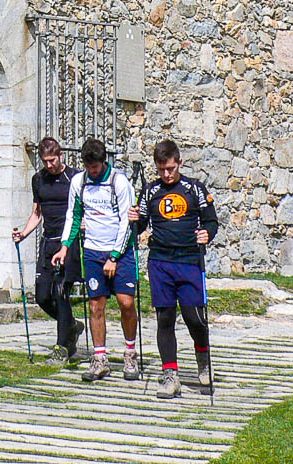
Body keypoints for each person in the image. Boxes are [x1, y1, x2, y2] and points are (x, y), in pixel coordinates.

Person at [130, 139, 218, 399]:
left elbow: (211, 220)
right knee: (164, 318)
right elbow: (142, 226)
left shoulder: (195, 189)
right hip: (160, 261)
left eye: (170, 168)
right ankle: (170, 374)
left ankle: (203, 358)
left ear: (179, 163)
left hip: (189, 260)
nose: (166, 174)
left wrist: (207, 234)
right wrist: (135, 220)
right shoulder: (150, 191)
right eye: (161, 169)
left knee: (194, 318)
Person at [54, 137, 139, 381]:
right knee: (95, 305)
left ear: (104, 162)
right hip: (91, 250)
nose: (92, 171)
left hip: (120, 252)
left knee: (125, 303)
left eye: (96, 167)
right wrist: (64, 246)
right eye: (88, 167)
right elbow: (73, 214)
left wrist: (114, 256)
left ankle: (130, 353)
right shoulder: (79, 182)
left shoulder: (119, 182)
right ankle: (99, 358)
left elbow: (127, 222)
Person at [13, 137, 81, 363]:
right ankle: (71, 325)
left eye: (52, 160)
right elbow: (37, 213)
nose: (49, 165)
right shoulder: (38, 179)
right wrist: (23, 233)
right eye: (45, 161)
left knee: (60, 293)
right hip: (48, 242)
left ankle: (62, 348)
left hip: (68, 243)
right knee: (42, 296)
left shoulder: (74, 178)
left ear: (60, 155)